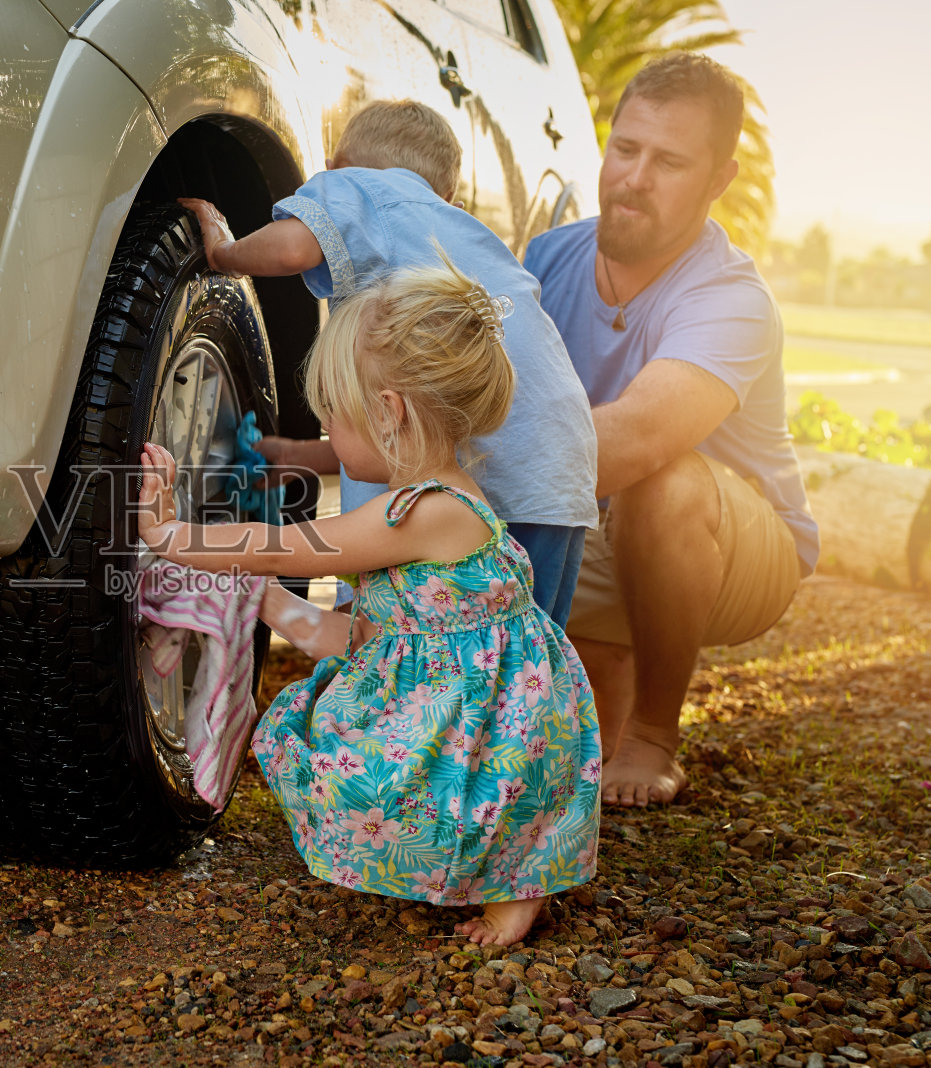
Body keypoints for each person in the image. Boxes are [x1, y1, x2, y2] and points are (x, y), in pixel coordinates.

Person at [138, 262, 601, 947]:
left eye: (333, 414)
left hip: (499, 723)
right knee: (346, 752)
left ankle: (518, 889)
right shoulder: (435, 507)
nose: (325, 427)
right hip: (468, 699)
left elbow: (282, 548)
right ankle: (494, 872)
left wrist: (168, 533)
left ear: (389, 413)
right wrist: (258, 600)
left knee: (450, 795)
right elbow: (356, 639)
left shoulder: (423, 511)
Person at [523, 53, 818, 808]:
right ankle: (611, 687)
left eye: (670, 161)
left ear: (720, 178)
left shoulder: (731, 299)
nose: (634, 177)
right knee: (559, 756)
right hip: (593, 517)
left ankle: (656, 732)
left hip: (731, 547)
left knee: (661, 475)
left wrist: (448, 499)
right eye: (626, 149)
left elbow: (638, 438)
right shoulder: (549, 257)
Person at [178, 99, 598, 627]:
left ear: (335, 166)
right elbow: (428, 427)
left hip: (484, 473)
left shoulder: (360, 186)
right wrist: (299, 454)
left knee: (375, 619)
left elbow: (289, 251)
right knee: (517, 657)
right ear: (448, 195)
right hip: (556, 469)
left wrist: (223, 252)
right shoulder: (469, 235)